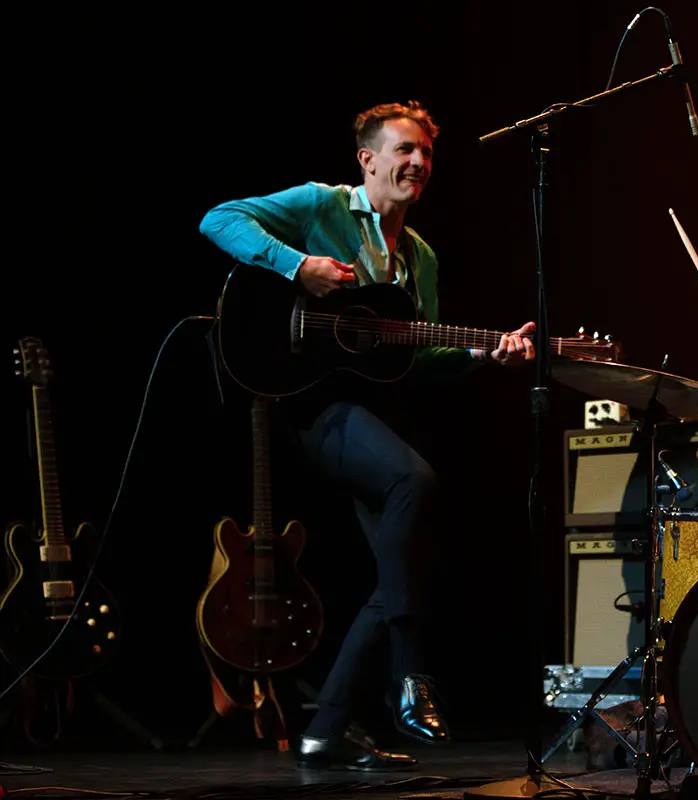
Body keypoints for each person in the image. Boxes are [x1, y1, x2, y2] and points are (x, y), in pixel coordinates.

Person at [199, 100, 535, 770]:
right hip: (310, 409)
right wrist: (297, 265)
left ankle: (325, 729)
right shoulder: (322, 205)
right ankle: (413, 673)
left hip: (373, 419)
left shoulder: (419, 257)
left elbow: (418, 359)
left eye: (427, 154)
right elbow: (218, 219)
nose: (418, 163)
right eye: (404, 150)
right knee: (415, 481)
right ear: (369, 160)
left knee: (404, 562)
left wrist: (483, 356)